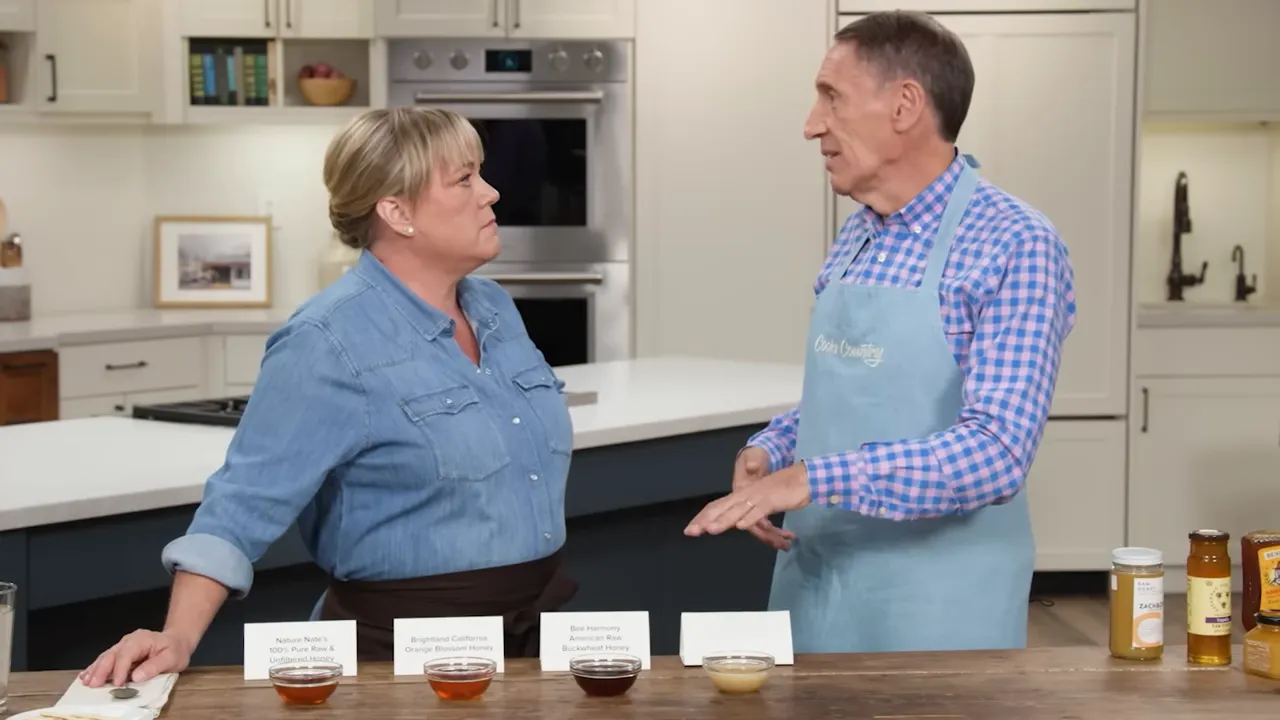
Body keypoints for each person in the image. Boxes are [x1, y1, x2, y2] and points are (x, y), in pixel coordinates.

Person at [80, 107, 577, 687]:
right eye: (464, 180)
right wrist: (177, 636)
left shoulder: (494, 307)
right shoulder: (325, 341)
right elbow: (240, 504)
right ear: (396, 211)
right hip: (397, 669)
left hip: (534, 645)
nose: (491, 193)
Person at [684, 10, 1077, 654]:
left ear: (904, 105)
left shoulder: (1016, 242)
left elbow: (998, 451)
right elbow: (863, 394)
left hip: (937, 606)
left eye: (831, 98)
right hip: (817, 585)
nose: (812, 125)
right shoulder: (860, 233)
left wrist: (809, 480)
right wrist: (775, 450)